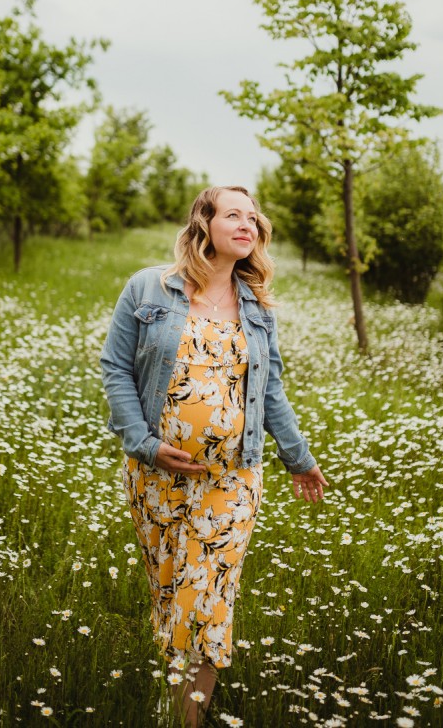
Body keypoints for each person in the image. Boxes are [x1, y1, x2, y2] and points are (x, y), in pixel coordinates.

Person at [100, 186, 328, 727]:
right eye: (233, 214)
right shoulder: (148, 288)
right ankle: (175, 703)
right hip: (154, 477)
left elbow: (270, 391)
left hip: (232, 479)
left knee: (207, 600)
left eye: (253, 217)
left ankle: (185, 722)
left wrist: (299, 456)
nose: (247, 224)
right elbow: (114, 368)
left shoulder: (258, 308)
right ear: (204, 224)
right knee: (171, 593)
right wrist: (146, 445)